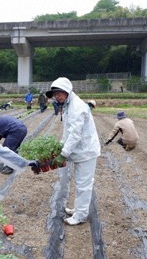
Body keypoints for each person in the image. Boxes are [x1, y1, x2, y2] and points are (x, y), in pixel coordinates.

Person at [46, 77, 101, 226]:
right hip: (80, 151)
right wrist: (60, 148)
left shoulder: (77, 107)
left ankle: (81, 216)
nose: (57, 96)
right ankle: (79, 209)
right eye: (55, 94)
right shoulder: (68, 105)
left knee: (84, 184)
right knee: (80, 182)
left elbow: (75, 135)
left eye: (59, 93)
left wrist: (63, 154)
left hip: (86, 151)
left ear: (67, 91)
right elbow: (67, 132)